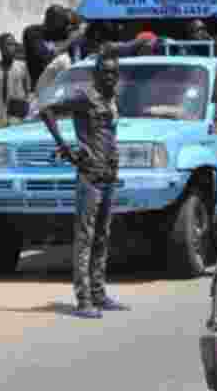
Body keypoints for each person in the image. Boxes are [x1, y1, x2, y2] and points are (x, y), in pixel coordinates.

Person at [39, 44, 129, 319]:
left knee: (103, 236)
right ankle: (84, 299)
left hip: (109, 174)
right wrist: (65, 146)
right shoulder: (84, 96)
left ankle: (100, 293)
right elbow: (47, 110)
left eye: (115, 73)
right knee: (85, 237)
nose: (111, 78)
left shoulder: (113, 97)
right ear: (97, 74)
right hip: (89, 174)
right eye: (106, 73)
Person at [0, 33, 32, 130]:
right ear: (0, 47)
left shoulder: (22, 67)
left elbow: (28, 92)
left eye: (13, 44)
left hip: (17, 119)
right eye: (9, 44)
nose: (12, 47)